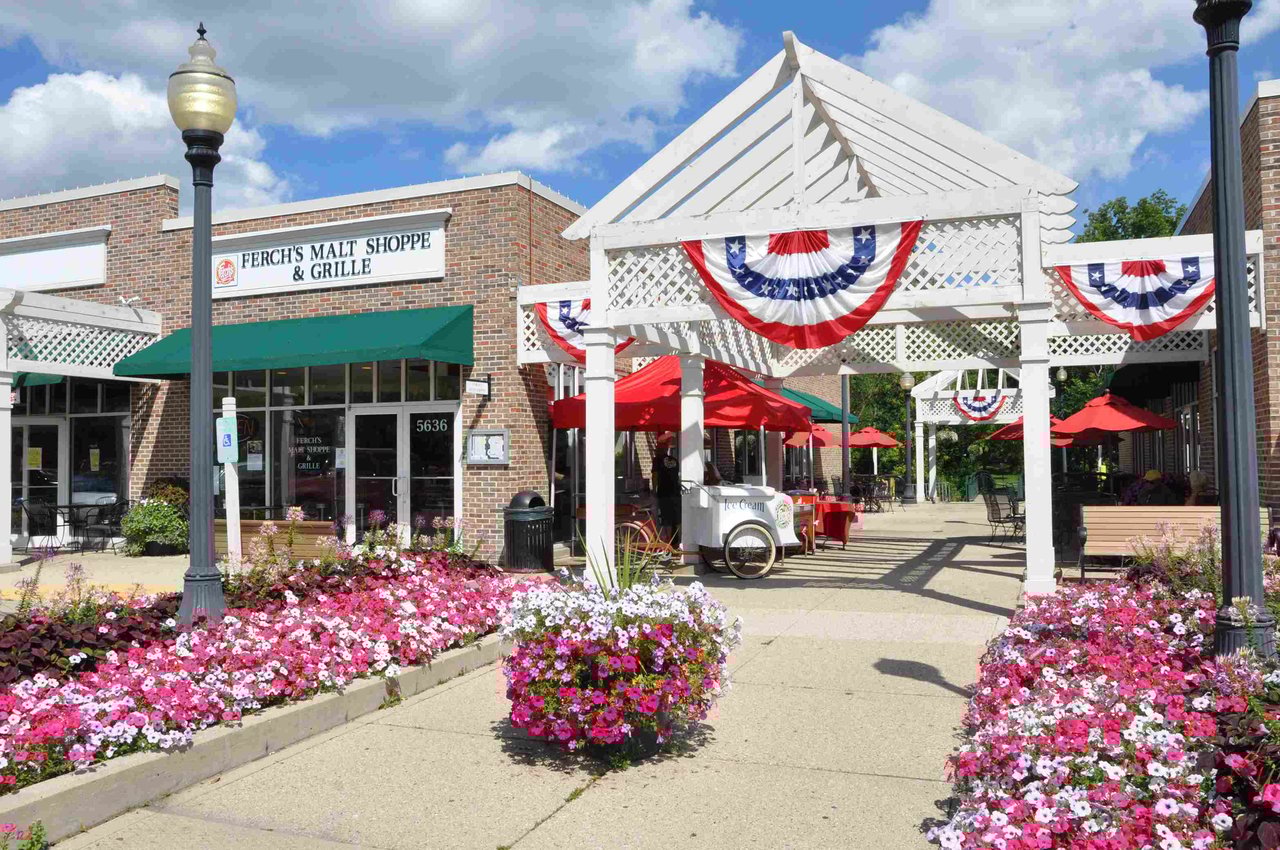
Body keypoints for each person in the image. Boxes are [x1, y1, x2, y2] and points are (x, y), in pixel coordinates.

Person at [652, 448, 682, 540]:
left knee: (666, 518)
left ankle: (668, 542)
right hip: (676, 492)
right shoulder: (675, 460)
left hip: (664, 493)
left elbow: (655, 476)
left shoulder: (657, 460)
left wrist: (654, 490)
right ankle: (680, 542)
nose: (655, 451)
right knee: (677, 518)